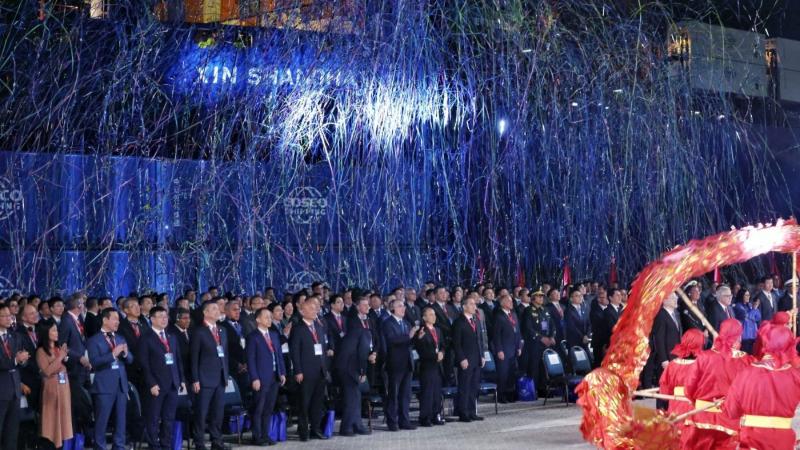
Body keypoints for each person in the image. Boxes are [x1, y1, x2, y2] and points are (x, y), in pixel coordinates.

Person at [723, 325, 800, 450]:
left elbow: (731, 411)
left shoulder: (746, 373)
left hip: (751, 441)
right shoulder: (796, 377)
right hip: (783, 442)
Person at [684, 318, 752, 450]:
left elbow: (689, 385)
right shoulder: (745, 360)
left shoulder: (704, 357)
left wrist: (694, 401)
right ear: (738, 336)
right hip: (729, 419)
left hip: (702, 415)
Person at [138, 306, 184, 450]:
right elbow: (144, 364)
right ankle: (154, 445)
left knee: (169, 417)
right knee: (153, 417)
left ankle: (166, 444)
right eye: (160, 316)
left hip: (172, 383)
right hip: (156, 385)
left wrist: (181, 379)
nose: (164, 319)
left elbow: (178, 360)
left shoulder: (172, 337)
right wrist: (151, 383)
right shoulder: (146, 338)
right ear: (152, 319)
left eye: (166, 316)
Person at [87, 308, 133, 450]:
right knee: (102, 420)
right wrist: (112, 355)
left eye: (118, 319)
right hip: (104, 386)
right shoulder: (94, 340)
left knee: (121, 419)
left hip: (121, 384)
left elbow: (130, 359)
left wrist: (125, 354)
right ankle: (100, 446)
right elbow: (94, 362)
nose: (117, 322)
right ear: (105, 320)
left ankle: (119, 446)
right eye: (114, 319)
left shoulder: (120, 338)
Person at [191, 300, 231, 450]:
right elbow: (194, 357)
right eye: (213, 309)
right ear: (205, 312)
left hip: (220, 378)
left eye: (217, 308)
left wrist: (226, 375)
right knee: (201, 413)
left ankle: (217, 441)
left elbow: (225, 355)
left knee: (218, 412)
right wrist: (195, 379)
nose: (217, 311)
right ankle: (199, 443)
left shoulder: (222, 330)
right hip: (204, 379)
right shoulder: (199, 331)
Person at [289, 299, 329, 441]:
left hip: (320, 371)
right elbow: (294, 351)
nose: (315, 311)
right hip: (305, 372)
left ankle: (316, 430)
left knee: (317, 404)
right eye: (311, 309)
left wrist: (325, 368)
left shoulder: (318, 326)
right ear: (302, 311)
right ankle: (303, 432)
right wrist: (298, 371)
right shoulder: (298, 328)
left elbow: (322, 349)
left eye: (315, 309)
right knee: (304, 404)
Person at [246, 307, 286, 446]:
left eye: (270, 317)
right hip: (261, 378)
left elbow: (279, 355)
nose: (269, 319)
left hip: (274, 377)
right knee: (259, 408)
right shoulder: (253, 337)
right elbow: (250, 359)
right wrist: (254, 378)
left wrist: (282, 373)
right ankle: (257, 436)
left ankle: (265, 434)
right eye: (266, 317)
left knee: (269, 408)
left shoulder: (274, 335)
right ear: (258, 319)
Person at [658, 328, 704, 447]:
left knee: (676, 438)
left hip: (675, 406)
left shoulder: (672, 365)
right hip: (694, 407)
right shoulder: (701, 365)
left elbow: (664, 391)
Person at [335, 297, 374, 436]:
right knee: (351, 398)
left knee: (356, 397)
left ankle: (357, 425)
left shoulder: (361, 331)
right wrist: (362, 372)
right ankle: (346, 428)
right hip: (348, 367)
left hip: (349, 365)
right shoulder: (362, 331)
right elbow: (362, 354)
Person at [381, 299, 417, 431]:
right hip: (395, 364)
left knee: (405, 395)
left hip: (407, 362)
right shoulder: (387, 323)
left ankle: (404, 420)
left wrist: (415, 337)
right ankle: (392, 422)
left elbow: (408, 342)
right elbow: (392, 341)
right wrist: (409, 336)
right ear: (393, 309)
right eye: (400, 306)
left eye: (404, 306)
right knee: (394, 395)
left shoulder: (406, 323)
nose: (403, 309)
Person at [36, 321, 73, 448]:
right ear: (45, 333)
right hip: (51, 389)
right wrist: (60, 358)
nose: (56, 333)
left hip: (64, 388)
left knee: (63, 420)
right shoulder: (41, 351)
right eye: (53, 331)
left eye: (56, 330)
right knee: (51, 421)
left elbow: (63, 367)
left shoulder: (58, 349)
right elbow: (47, 371)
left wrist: (64, 357)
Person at [0, 303, 29, 450]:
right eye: (4, 316)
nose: (8, 319)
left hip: (14, 390)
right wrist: (16, 360)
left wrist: (23, 360)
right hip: (1, 390)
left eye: (10, 316)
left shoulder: (13, 336)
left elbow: (20, 359)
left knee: (12, 433)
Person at [452, 296, 483, 422]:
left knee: (474, 386)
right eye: (471, 304)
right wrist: (461, 358)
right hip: (465, 359)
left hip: (476, 358)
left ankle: (471, 411)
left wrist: (482, 355)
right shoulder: (458, 322)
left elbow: (479, 340)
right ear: (464, 306)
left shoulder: (475, 320)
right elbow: (456, 343)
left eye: (475, 304)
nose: (474, 306)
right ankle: (463, 412)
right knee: (464, 387)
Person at [413, 306, 446, 426]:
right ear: (424, 317)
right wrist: (434, 355)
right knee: (427, 392)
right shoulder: (421, 331)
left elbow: (442, 345)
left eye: (434, 314)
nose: (434, 316)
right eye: (431, 314)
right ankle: (425, 417)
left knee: (437, 392)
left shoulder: (438, 330)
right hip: (427, 365)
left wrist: (442, 353)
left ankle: (435, 415)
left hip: (438, 366)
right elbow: (420, 349)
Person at [646, 292, 682, 394]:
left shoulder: (676, 314)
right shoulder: (661, 315)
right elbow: (659, 339)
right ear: (664, 301)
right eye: (673, 298)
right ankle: (661, 408)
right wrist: (663, 359)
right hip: (667, 357)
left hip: (676, 355)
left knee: (673, 385)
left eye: (676, 298)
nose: (676, 300)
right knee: (664, 386)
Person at [521, 289, 557, 393]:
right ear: (532, 298)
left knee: (544, 366)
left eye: (542, 296)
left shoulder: (545, 309)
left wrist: (552, 336)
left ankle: (543, 388)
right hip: (534, 343)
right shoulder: (528, 310)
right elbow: (528, 328)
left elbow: (552, 325)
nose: (541, 298)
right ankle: (533, 389)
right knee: (534, 366)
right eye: (539, 296)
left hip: (546, 343)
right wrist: (541, 338)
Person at [492, 294, 521, 403]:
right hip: (504, 350)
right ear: (503, 303)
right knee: (503, 374)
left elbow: (518, 331)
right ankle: (501, 395)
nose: (511, 303)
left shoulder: (513, 314)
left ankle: (510, 394)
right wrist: (499, 350)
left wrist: (519, 346)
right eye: (509, 301)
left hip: (513, 349)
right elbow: (496, 335)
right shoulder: (499, 316)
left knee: (511, 374)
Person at [733, 288, 760, 354]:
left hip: (753, 335)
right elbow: (745, 316)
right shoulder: (737, 306)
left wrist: (755, 309)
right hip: (744, 336)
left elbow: (758, 317)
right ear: (741, 296)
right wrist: (753, 309)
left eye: (749, 295)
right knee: (745, 355)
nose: (748, 297)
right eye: (746, 295)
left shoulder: (750, 305)